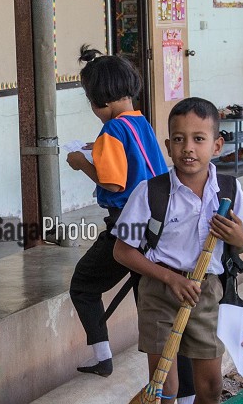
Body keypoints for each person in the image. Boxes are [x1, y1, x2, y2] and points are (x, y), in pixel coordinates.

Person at [112, 97, 243, 404]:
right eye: (179, 140)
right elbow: (123, 252)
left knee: (211, 385)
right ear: (167, 144)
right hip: (161, 293)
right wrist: (169, 278)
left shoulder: (227, 189)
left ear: (217, 144)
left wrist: (235, 236)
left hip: (208, 291)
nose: (188, 149)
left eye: (198, 139)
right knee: (165, 386)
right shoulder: (152, 192)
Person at [66, 46, 168, 379]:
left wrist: (82, 164)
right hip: (157, 224)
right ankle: (169, 378)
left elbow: (112, 184)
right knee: (148, 302)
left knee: (83, 285)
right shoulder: (141, 123)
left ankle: (102, 356)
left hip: (126, 227)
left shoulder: (111, 131)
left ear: (101, 101)